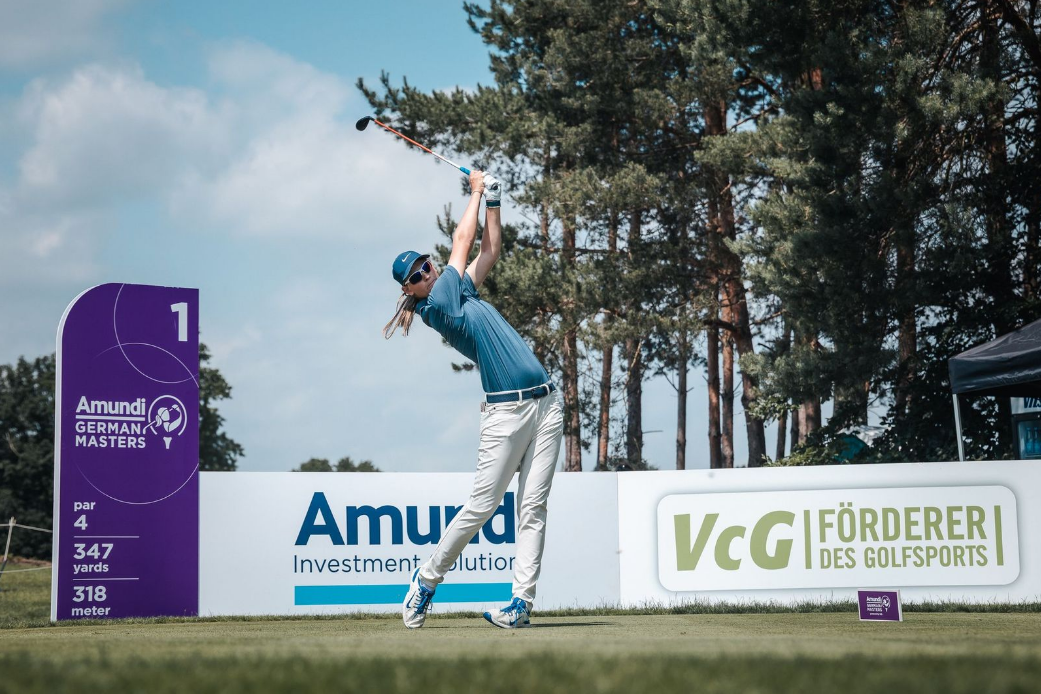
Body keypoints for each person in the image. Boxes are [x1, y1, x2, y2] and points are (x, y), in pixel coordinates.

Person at [383, 170, 564, 629]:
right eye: (417, 274)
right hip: (505, 413)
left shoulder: (455, 286)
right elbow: (463, 241)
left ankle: (520, 604)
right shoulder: (438, 305)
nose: (427, 270)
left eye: (425, 264)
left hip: (546, 404)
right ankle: (426, 580)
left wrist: (495, 202)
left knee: (533, 508)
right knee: (482, 507)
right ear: (410, 290)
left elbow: (489, 250)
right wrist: (477, 191)